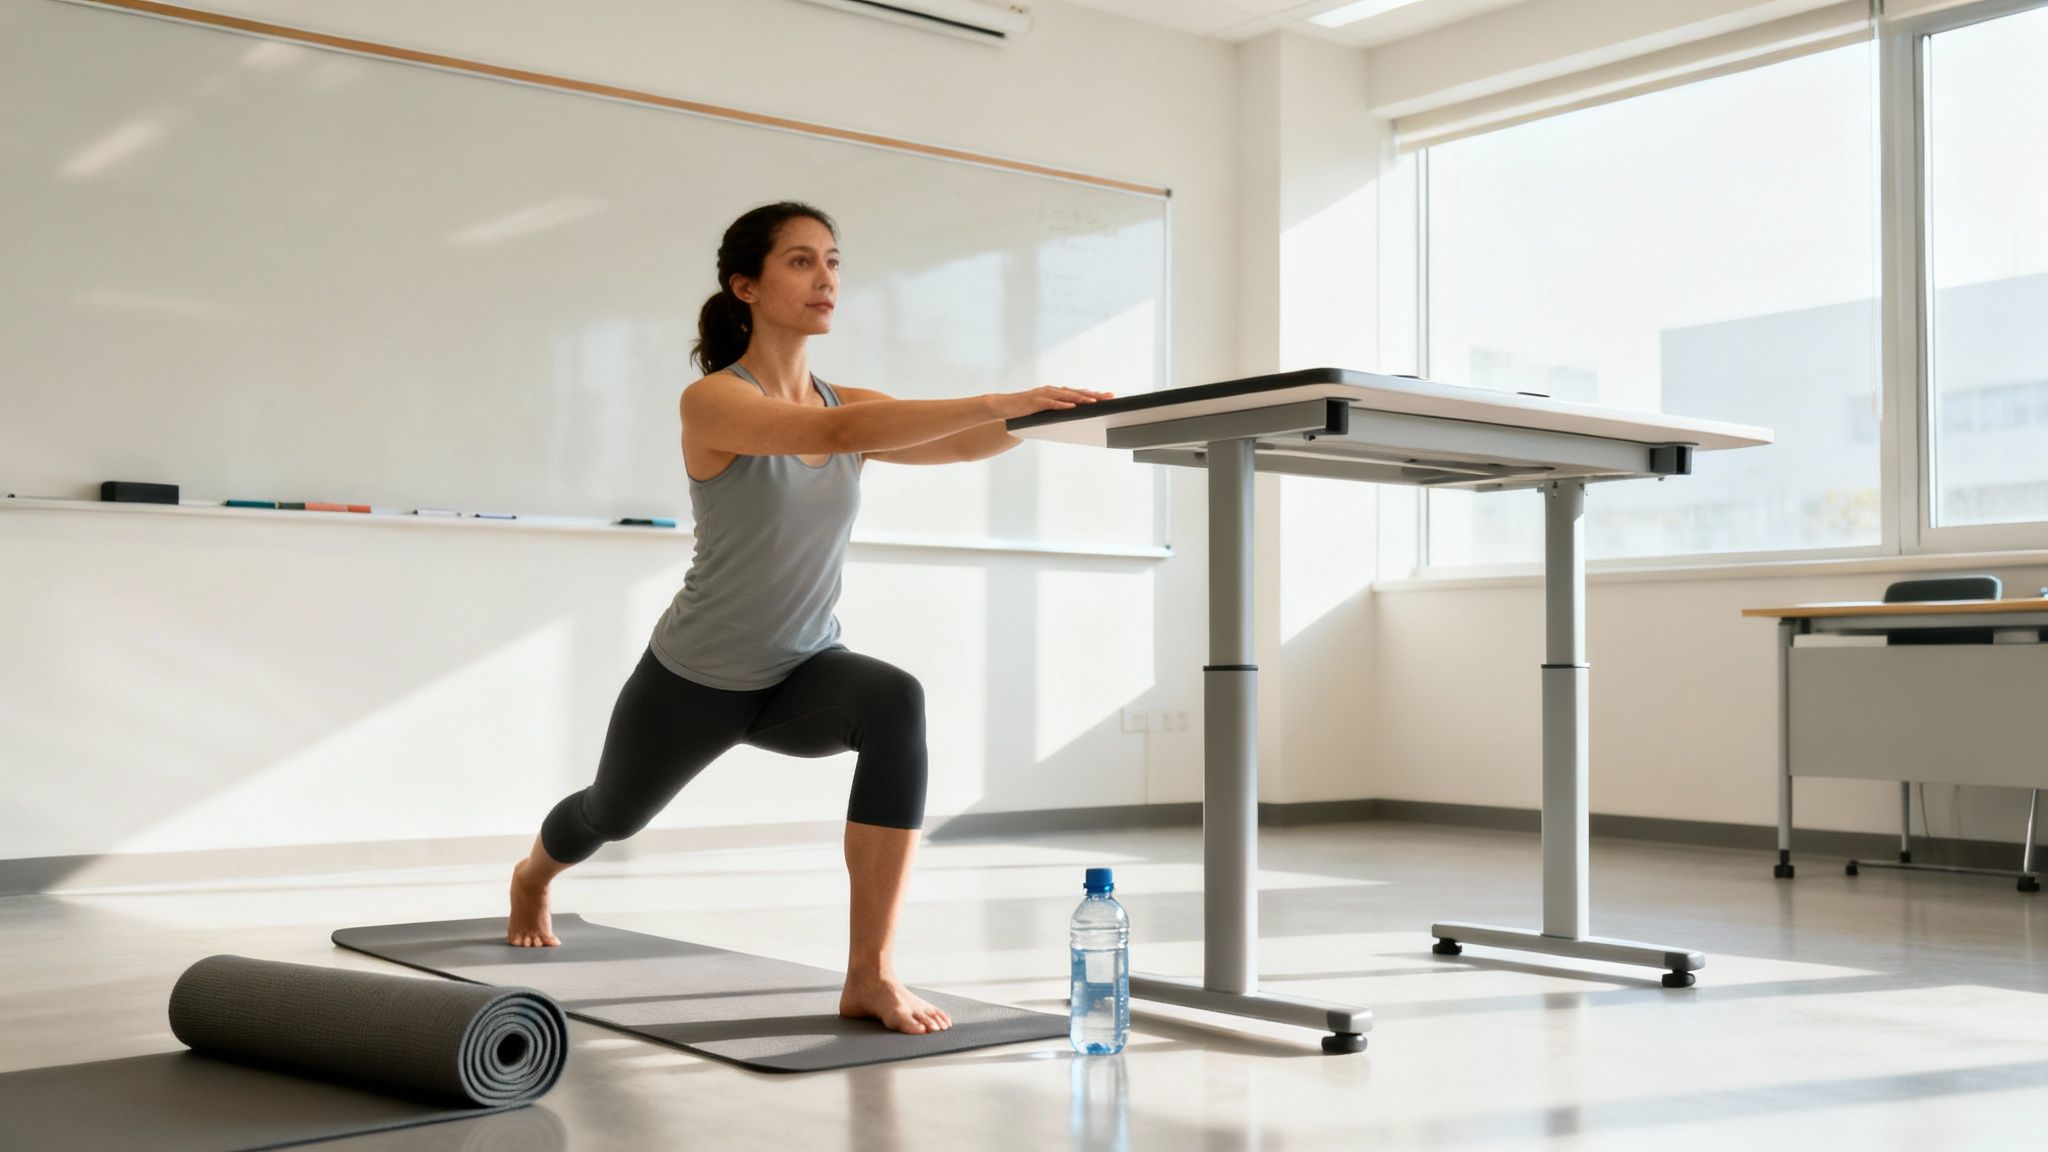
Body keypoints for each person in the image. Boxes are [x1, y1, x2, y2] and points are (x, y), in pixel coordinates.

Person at [505, 200, 1112, 1036]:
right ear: (744, 285)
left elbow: (963, 445)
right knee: (611, 814)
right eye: (799, 261)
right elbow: (838, 429)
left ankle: (870, 973)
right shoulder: (714, 401)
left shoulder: (847, 401)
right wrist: (998, 396)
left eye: (832, 260)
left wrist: (1044, 418)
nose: (825, 277)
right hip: (695, 678)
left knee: (895, 699)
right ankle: (534, 875)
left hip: (802, 672)